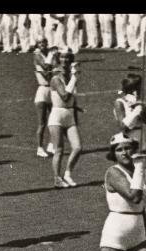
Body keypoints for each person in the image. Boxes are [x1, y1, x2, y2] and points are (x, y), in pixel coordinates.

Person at [47, 49, 81, 187]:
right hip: (57, 117)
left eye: (67, 57)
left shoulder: (72, 77)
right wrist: (74, 78)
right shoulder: (56, 79)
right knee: (59, 150)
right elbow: (65, 96)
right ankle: (57, 179)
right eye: (62, 57)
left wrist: (75, 118)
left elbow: (73, 99)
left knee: (78, 147)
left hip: (70, 116)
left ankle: (67, 174)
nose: (64, 60)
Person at [32, 39, 54, 158]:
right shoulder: (37, 55)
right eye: (40, 43)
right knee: (42, 123)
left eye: (44, 43)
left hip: (52, 90)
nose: (42, 45)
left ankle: (51, 144)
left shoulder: (48, 55)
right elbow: (46, 73)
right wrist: (51, 58)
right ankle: (40, 148)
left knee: (54, 120)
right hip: (42, 91)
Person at [112, 73, 146, 142]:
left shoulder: (138, 101)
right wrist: (137, 109)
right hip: (128, 141)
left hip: (141, 138)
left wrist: (143, 108)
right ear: (133, 90)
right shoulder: (119, 103)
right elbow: (123, 128)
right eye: (139, 88)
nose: (141, 90)